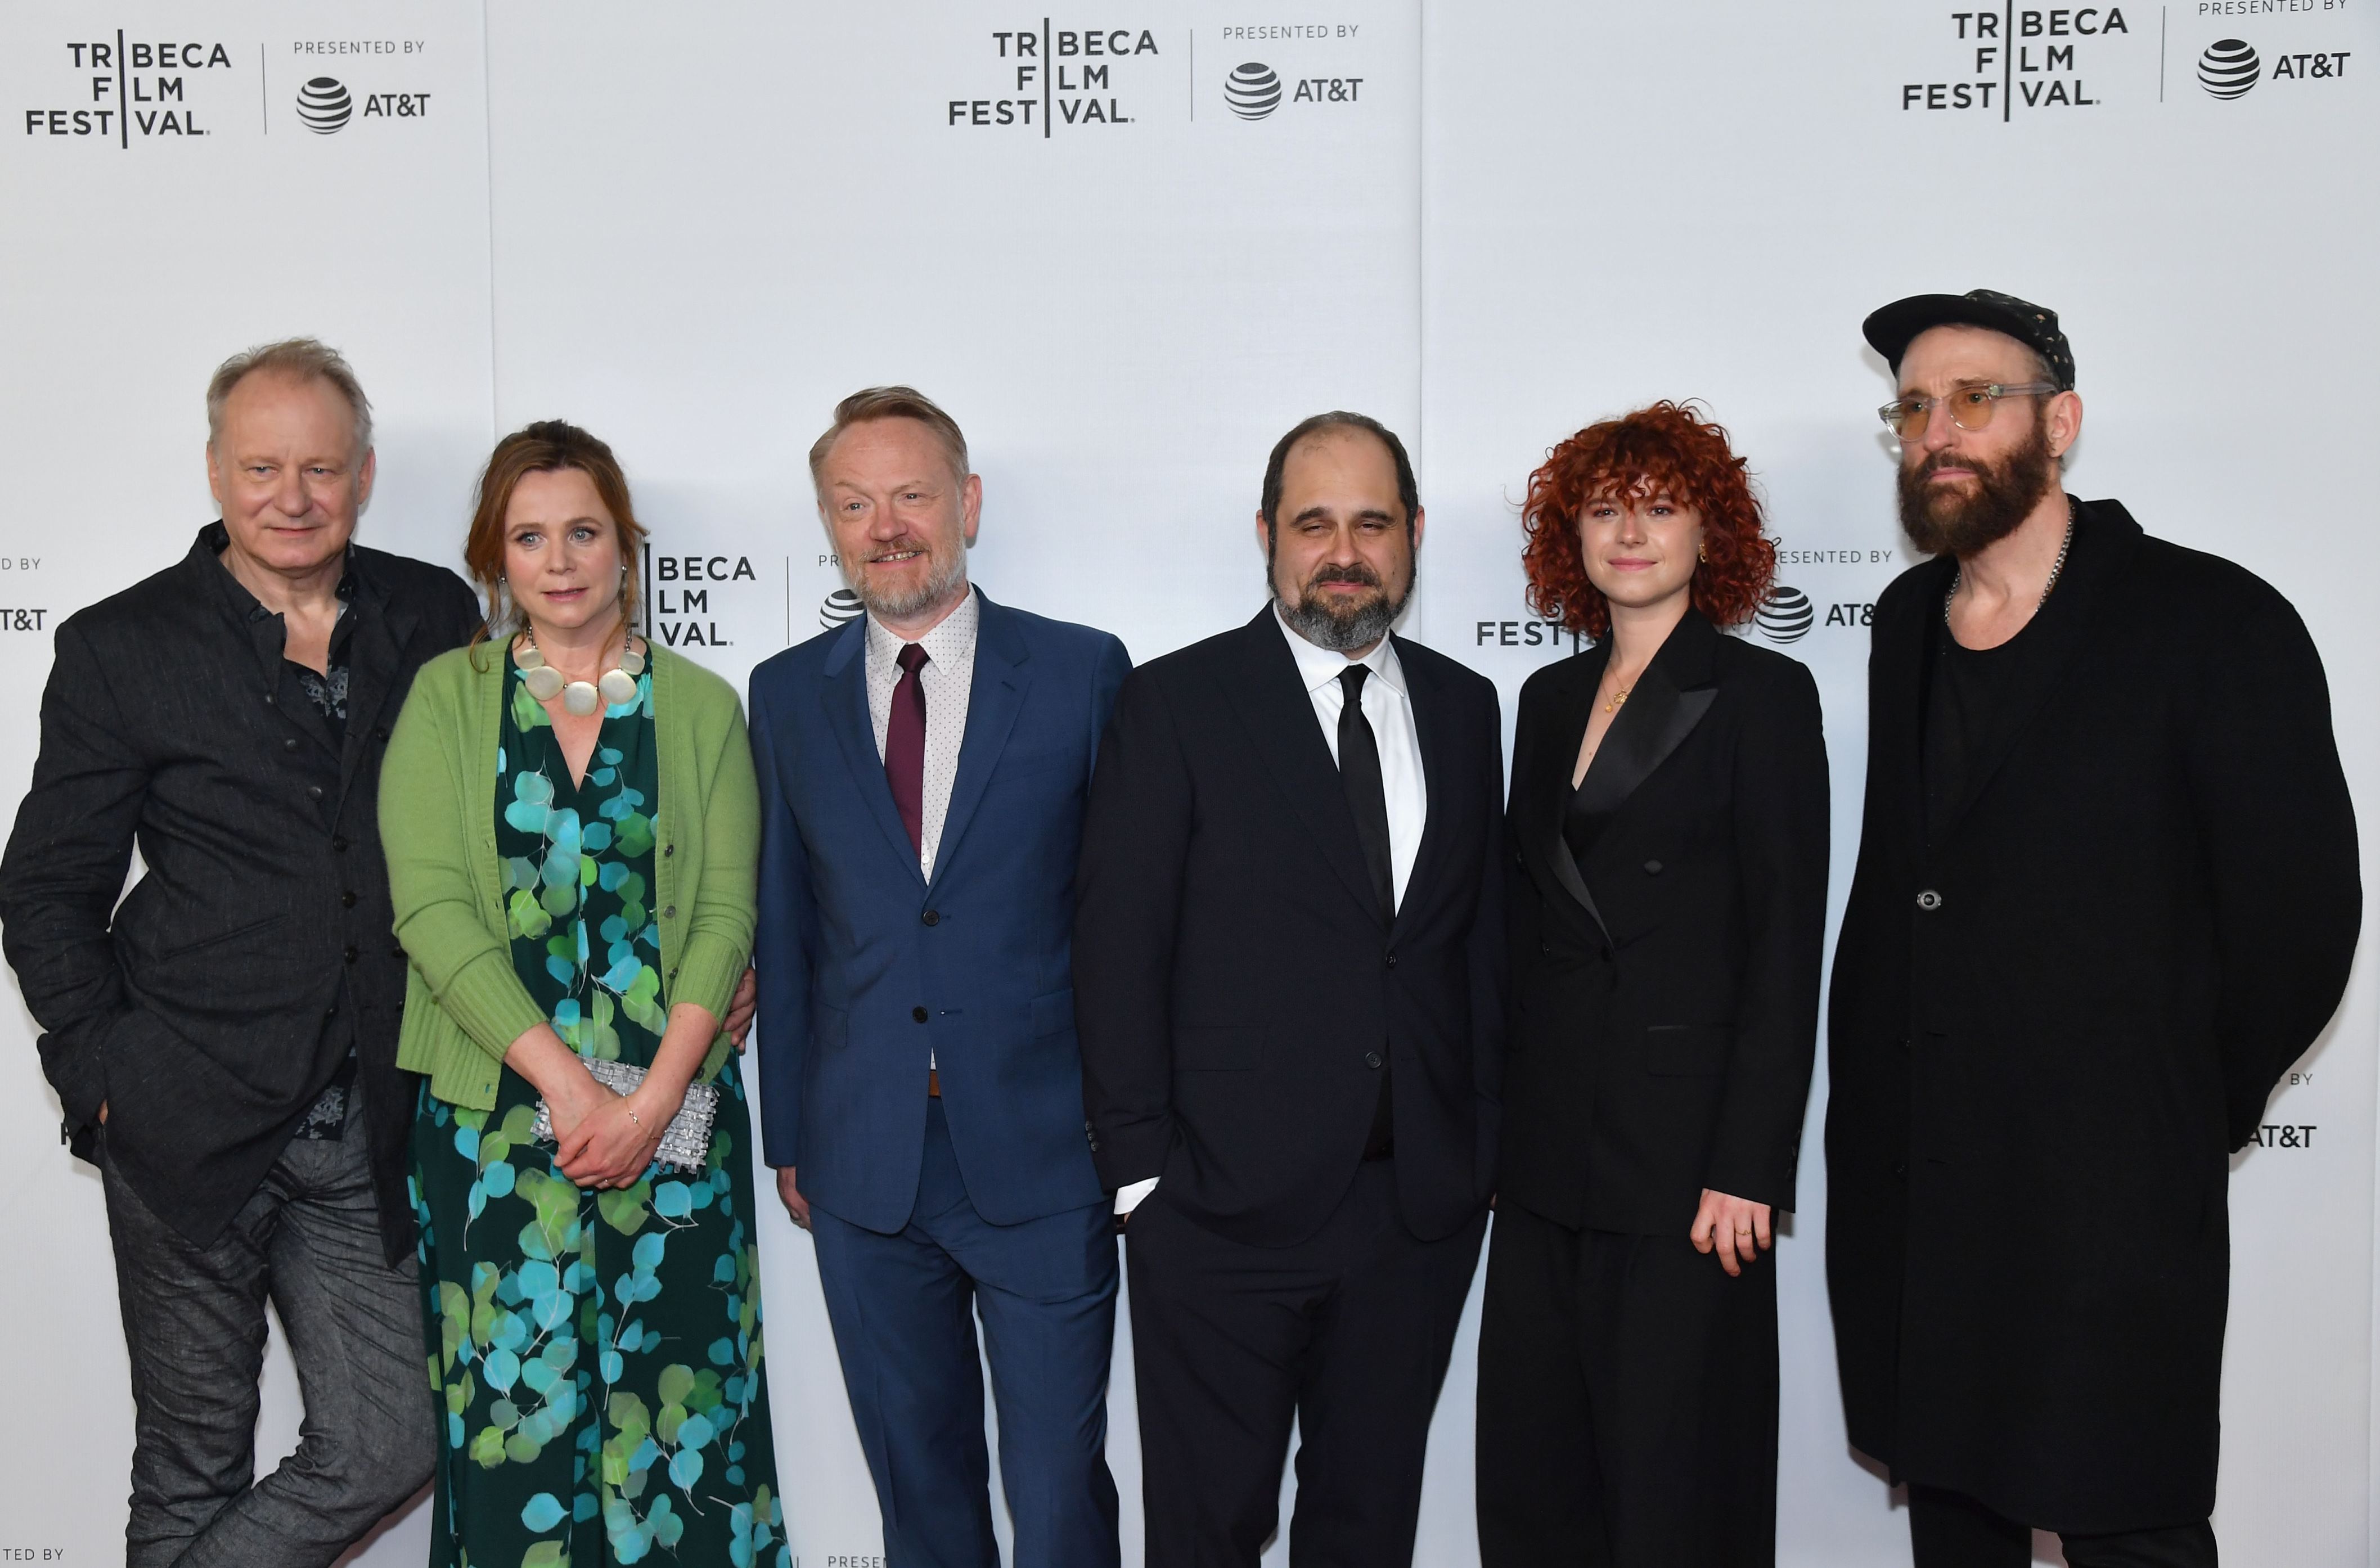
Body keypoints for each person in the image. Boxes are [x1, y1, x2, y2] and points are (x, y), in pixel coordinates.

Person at [1825, 290, 2360, 1567]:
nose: (1937, 430)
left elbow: (2302, 921)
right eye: (1911, 406)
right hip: (1921, 1199)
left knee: (2132, 1526)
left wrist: (2166, 1108)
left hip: (2104, 1209)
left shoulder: (2212, 621)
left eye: (1974, 398)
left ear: (2057, 423)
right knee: (1955, 1519)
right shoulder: (1902, 628)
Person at [0, 339, 474, 1566]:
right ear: (216, 470)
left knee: (395, 1434)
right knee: (189, 1457)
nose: (294, 495)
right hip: (182, 1109)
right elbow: (48, 884)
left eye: (321, 466)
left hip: (369, 1111)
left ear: (363, 473)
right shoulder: (123, 643)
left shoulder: (433, 614)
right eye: (263, 465)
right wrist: (102, 1073)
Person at [1075, 411, 1504, 1568]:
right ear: (1267, 535)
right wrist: (1141, 1176)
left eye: (1371, 521)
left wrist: (1477, 1153)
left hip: (1412, 1211)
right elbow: (1118, 946)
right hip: (1215, 1210)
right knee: (1208, 1528)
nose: (1342, 550)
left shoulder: (1467, 709)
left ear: (1413, 534)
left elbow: (1471, 945)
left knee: (1366, 1527)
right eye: (1313, 522)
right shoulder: (1177, 703)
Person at [380, 420, 784, 1567]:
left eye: (583, 531)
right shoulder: (445, 703)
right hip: (500, 1129)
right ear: (492, 558)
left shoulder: (700, 705)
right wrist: (566, 1086)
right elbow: (432, 914)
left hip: (675, 1125)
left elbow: (723, 913)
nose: (559, 559)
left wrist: (652, 1099)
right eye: (528, 535)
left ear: (625, 547)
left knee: (685, 1430)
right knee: (518, 1434)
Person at [750, 387, 1131, 1568]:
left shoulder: (1079, 672)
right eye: (854, 504)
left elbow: (1122, 918)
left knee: (1059, 1496)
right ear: (829, 525)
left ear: (964, 501)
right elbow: (790, 922)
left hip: (1043, 1147)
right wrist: (792, 1135)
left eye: (910, 494)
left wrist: (1128, 1121)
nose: (887, 525)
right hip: (865, 1162)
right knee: (919, 1492)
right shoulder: (784, 692)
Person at [1476, 402, 1828, 1566]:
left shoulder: (1762, 699)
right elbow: (1528, 932)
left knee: (1676, 1488)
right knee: (1539, 1482)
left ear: (1707, 531)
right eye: (1604, 506)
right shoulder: (1544, 703)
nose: (1630, 530)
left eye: (1661, 506)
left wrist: (1749, 1163)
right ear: (1567, 533)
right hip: (1544, 1159)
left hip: (1688, 1171)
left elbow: (1785, 944)